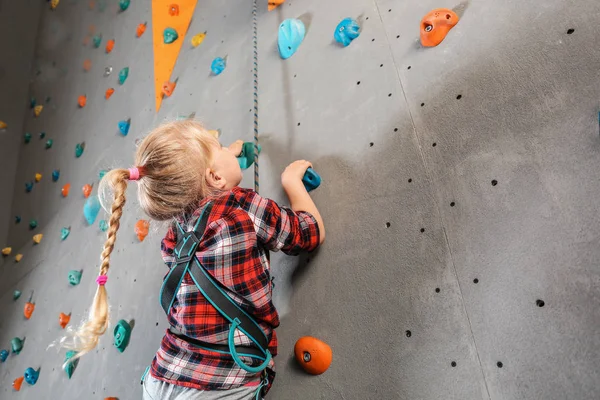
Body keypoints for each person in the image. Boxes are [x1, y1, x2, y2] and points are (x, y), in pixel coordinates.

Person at [62, 120, 325, 399]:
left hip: (162, 377)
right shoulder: (242, 207)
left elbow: (207, 194)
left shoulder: (175, 236)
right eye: (221, 147)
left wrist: (224, 157)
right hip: (219, 381)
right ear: (214, 177)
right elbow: (309, 232)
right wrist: (292, 182)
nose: (228, 149)